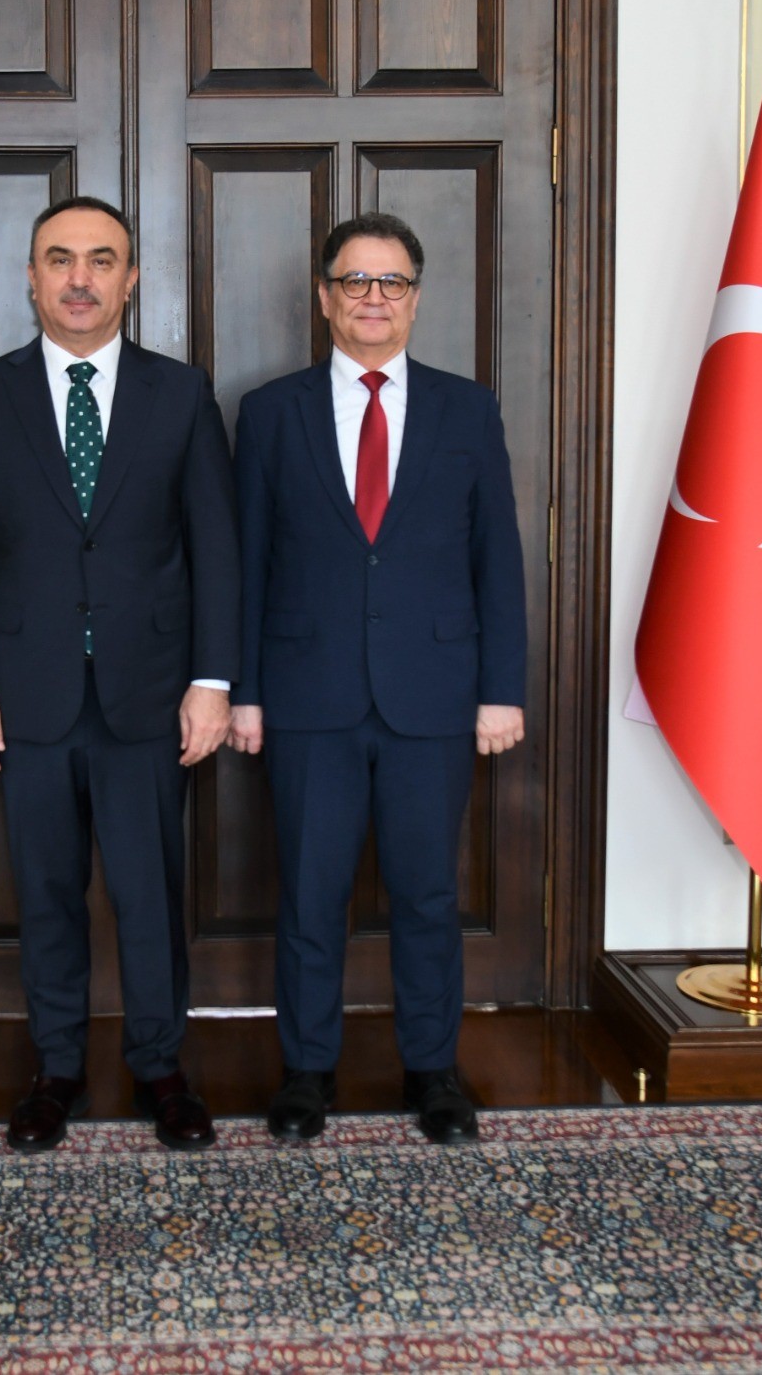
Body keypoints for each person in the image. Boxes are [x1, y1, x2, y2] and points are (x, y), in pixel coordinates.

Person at [0, 195, 238, 1153]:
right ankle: (56, 1067)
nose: (79, 278)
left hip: (152, 695)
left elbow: (216, 547)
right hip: (25, 697)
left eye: (102, 260)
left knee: (150, 894)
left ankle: (160, 1067)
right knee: (47, 892)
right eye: (59, 259)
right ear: (30, 276)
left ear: (131, 278)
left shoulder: (180, 392)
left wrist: (214, 679)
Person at [228, 212, 529, 1145]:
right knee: (309, 895)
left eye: (391, 281)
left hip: (432, 698)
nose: (373, 297)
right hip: (306, 696)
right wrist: (244, 691)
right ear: (324, 298)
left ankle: (433, 1070)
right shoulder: (270, 412)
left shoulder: (467, 409)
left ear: (416, 299)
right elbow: (247, 563)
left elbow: (497, 557)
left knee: (428, 895)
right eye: (354, 281)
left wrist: (502, 689)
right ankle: (307, 1071)